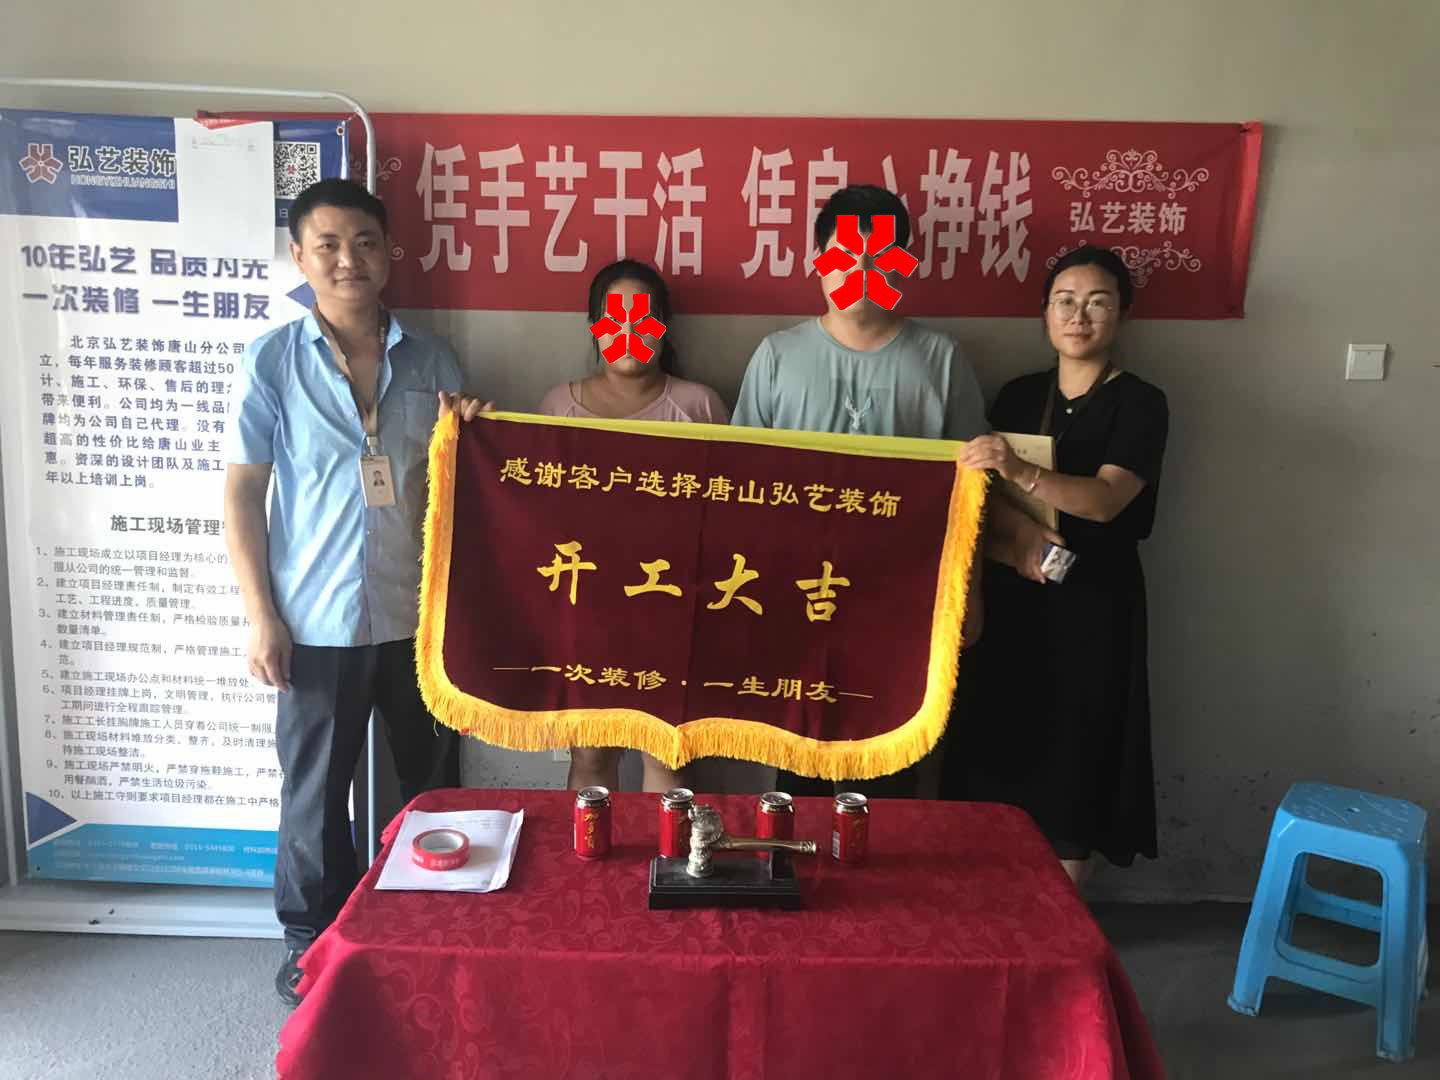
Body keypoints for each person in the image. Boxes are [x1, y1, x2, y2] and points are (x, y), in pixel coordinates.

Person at [224, 179, 485, 1006]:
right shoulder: (271, 360)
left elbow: (458, 485)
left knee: (434, 787)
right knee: (314, 798)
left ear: (390, 253)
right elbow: (243, 494)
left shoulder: (433, 360)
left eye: (365, 242)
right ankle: (314, 940)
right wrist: (261, 616)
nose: (349, 260)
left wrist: (471, 434)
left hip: (418, 619)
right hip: (314, 620)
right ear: (299, 257)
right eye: (329, 244)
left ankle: (437, 927)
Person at [731, 184, 988, 798]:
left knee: (891, 762)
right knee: (796, 754)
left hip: (901, 599)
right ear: (818, 260)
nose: (860, 270)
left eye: (878, 257)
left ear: (903, 264)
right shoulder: (776, 356)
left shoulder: (941, 360)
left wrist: (971, 592)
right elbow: (741, 488)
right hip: (795, 595)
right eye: (844, 254)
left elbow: (974, 493)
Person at [952, 245, 1169, 888]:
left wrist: (1021, 470)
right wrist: (1016, 545)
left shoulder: (1141, 403)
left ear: (1123, 314)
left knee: (1080, 747)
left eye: (1098, 302)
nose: (1079, 316)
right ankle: (992, 901)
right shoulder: (1019, 395)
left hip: (1095, 599)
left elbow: (1104, 501)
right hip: (1014, 587)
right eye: (1065, 301)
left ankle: (1065, 912)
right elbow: (980, 497)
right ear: (1044, 313)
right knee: (1000, 735)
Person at [537, 258, 729, 792]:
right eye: (613, 317)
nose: (628, 330)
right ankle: (587, 851)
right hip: (586, 609)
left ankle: (667, 852)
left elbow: (731, 512)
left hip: (674, 610)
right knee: (591, 758)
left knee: (670, 759)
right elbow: (534, 514)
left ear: (664, 326)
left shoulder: (699, 406)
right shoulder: (557, 406)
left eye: (642, 317)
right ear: (594, 326)